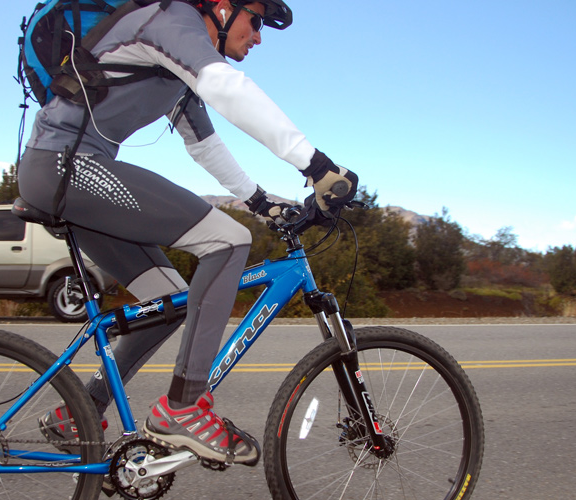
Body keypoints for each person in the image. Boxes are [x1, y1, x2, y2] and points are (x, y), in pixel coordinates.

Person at [21, 0, 358, 465]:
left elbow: (205, 145)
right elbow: (226, 86)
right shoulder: (171, 18)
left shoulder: (176, 67)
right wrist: (316, 166)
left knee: (167, 301)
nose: (258, 36)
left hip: (67, 177)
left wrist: (261, 203)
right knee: (228, 241)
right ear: (222, 7)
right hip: (68, 169)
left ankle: (79, 412)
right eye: (255, 20)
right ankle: (182, 407)